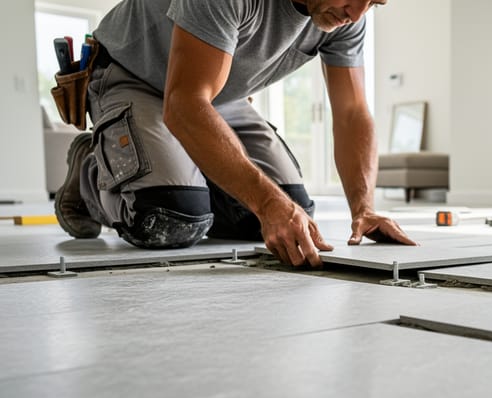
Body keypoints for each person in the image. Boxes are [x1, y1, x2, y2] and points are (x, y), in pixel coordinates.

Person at [55, 0, 416, 267]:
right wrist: (269, 203)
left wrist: (364, 208)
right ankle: (90, 170)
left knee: (292, 215)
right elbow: (183, 105)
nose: (357, 13)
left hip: (216, 92)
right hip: (136, 76)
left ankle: (183, 176)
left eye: (375, 2)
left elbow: (352, 113)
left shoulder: (347, 15)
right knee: (169, 216)